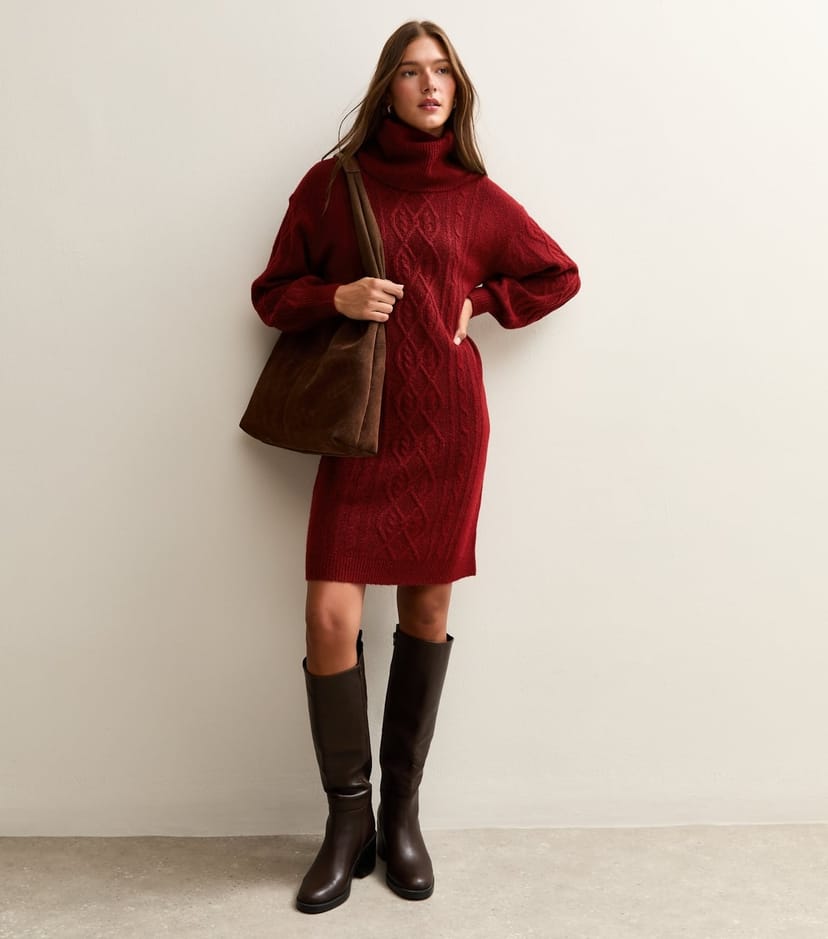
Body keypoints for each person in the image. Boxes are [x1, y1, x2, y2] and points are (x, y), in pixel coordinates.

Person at [250, 20, 580, 914]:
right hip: (360, 430)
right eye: (410, 71)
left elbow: (559, 273)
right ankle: (346, 822)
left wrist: (484, 298)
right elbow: (271, 294)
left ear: (456, 90)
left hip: (447, 429)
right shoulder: (332, 185)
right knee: (330, 613)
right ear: (386, 88)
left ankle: (401, 813)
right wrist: (338, 295)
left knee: (426, 614)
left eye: (442, 72)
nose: (429, 85)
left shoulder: (479, 198)